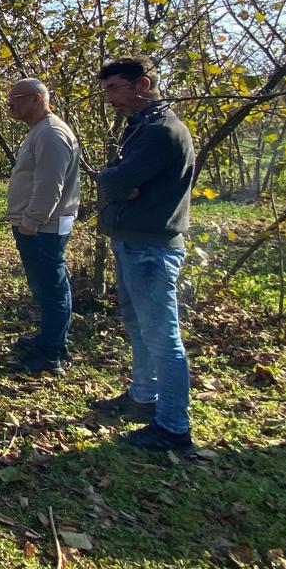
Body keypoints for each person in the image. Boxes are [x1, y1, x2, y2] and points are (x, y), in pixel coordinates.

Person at [90, 56, 198, 455]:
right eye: (106, 90)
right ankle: (143, 397)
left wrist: (112, 180)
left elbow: (116, 182)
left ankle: (173, 428)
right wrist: (115, 180)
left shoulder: (161, 132)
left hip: (151, 246)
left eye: (114, 88)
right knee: (139, 326)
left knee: (162, 336)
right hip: (133, 239)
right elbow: (118, 180)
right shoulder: (141, 127)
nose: (109, 99)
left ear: (143, 84)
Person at [3, 78, 82, 376]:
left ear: (37, 99)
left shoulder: (51, 133)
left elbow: (50, 185)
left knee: (51, 287)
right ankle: (52, 338)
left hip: (42, 226)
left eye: (16, 98)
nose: (10, 104)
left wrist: (31, 222)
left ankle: (50, 353)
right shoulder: (39, 131)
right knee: (46, 286)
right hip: (38, 224)